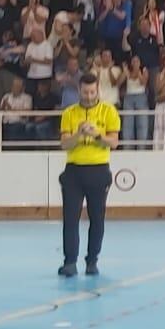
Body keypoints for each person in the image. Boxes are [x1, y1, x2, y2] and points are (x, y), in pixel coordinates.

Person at [58, 76, 121, 278]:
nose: (89, 96)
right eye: (85, 92)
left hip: (99, 169)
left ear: (98, 90)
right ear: (79, 90)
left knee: (97, 218)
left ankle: (92, 260)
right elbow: (64, 144)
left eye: (92, 92)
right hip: (74, 170)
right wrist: (78, 135)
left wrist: (97, 135)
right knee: (70, 219)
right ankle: (69, 262)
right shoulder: (69, 113)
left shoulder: (109, 111)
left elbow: (114, 143)